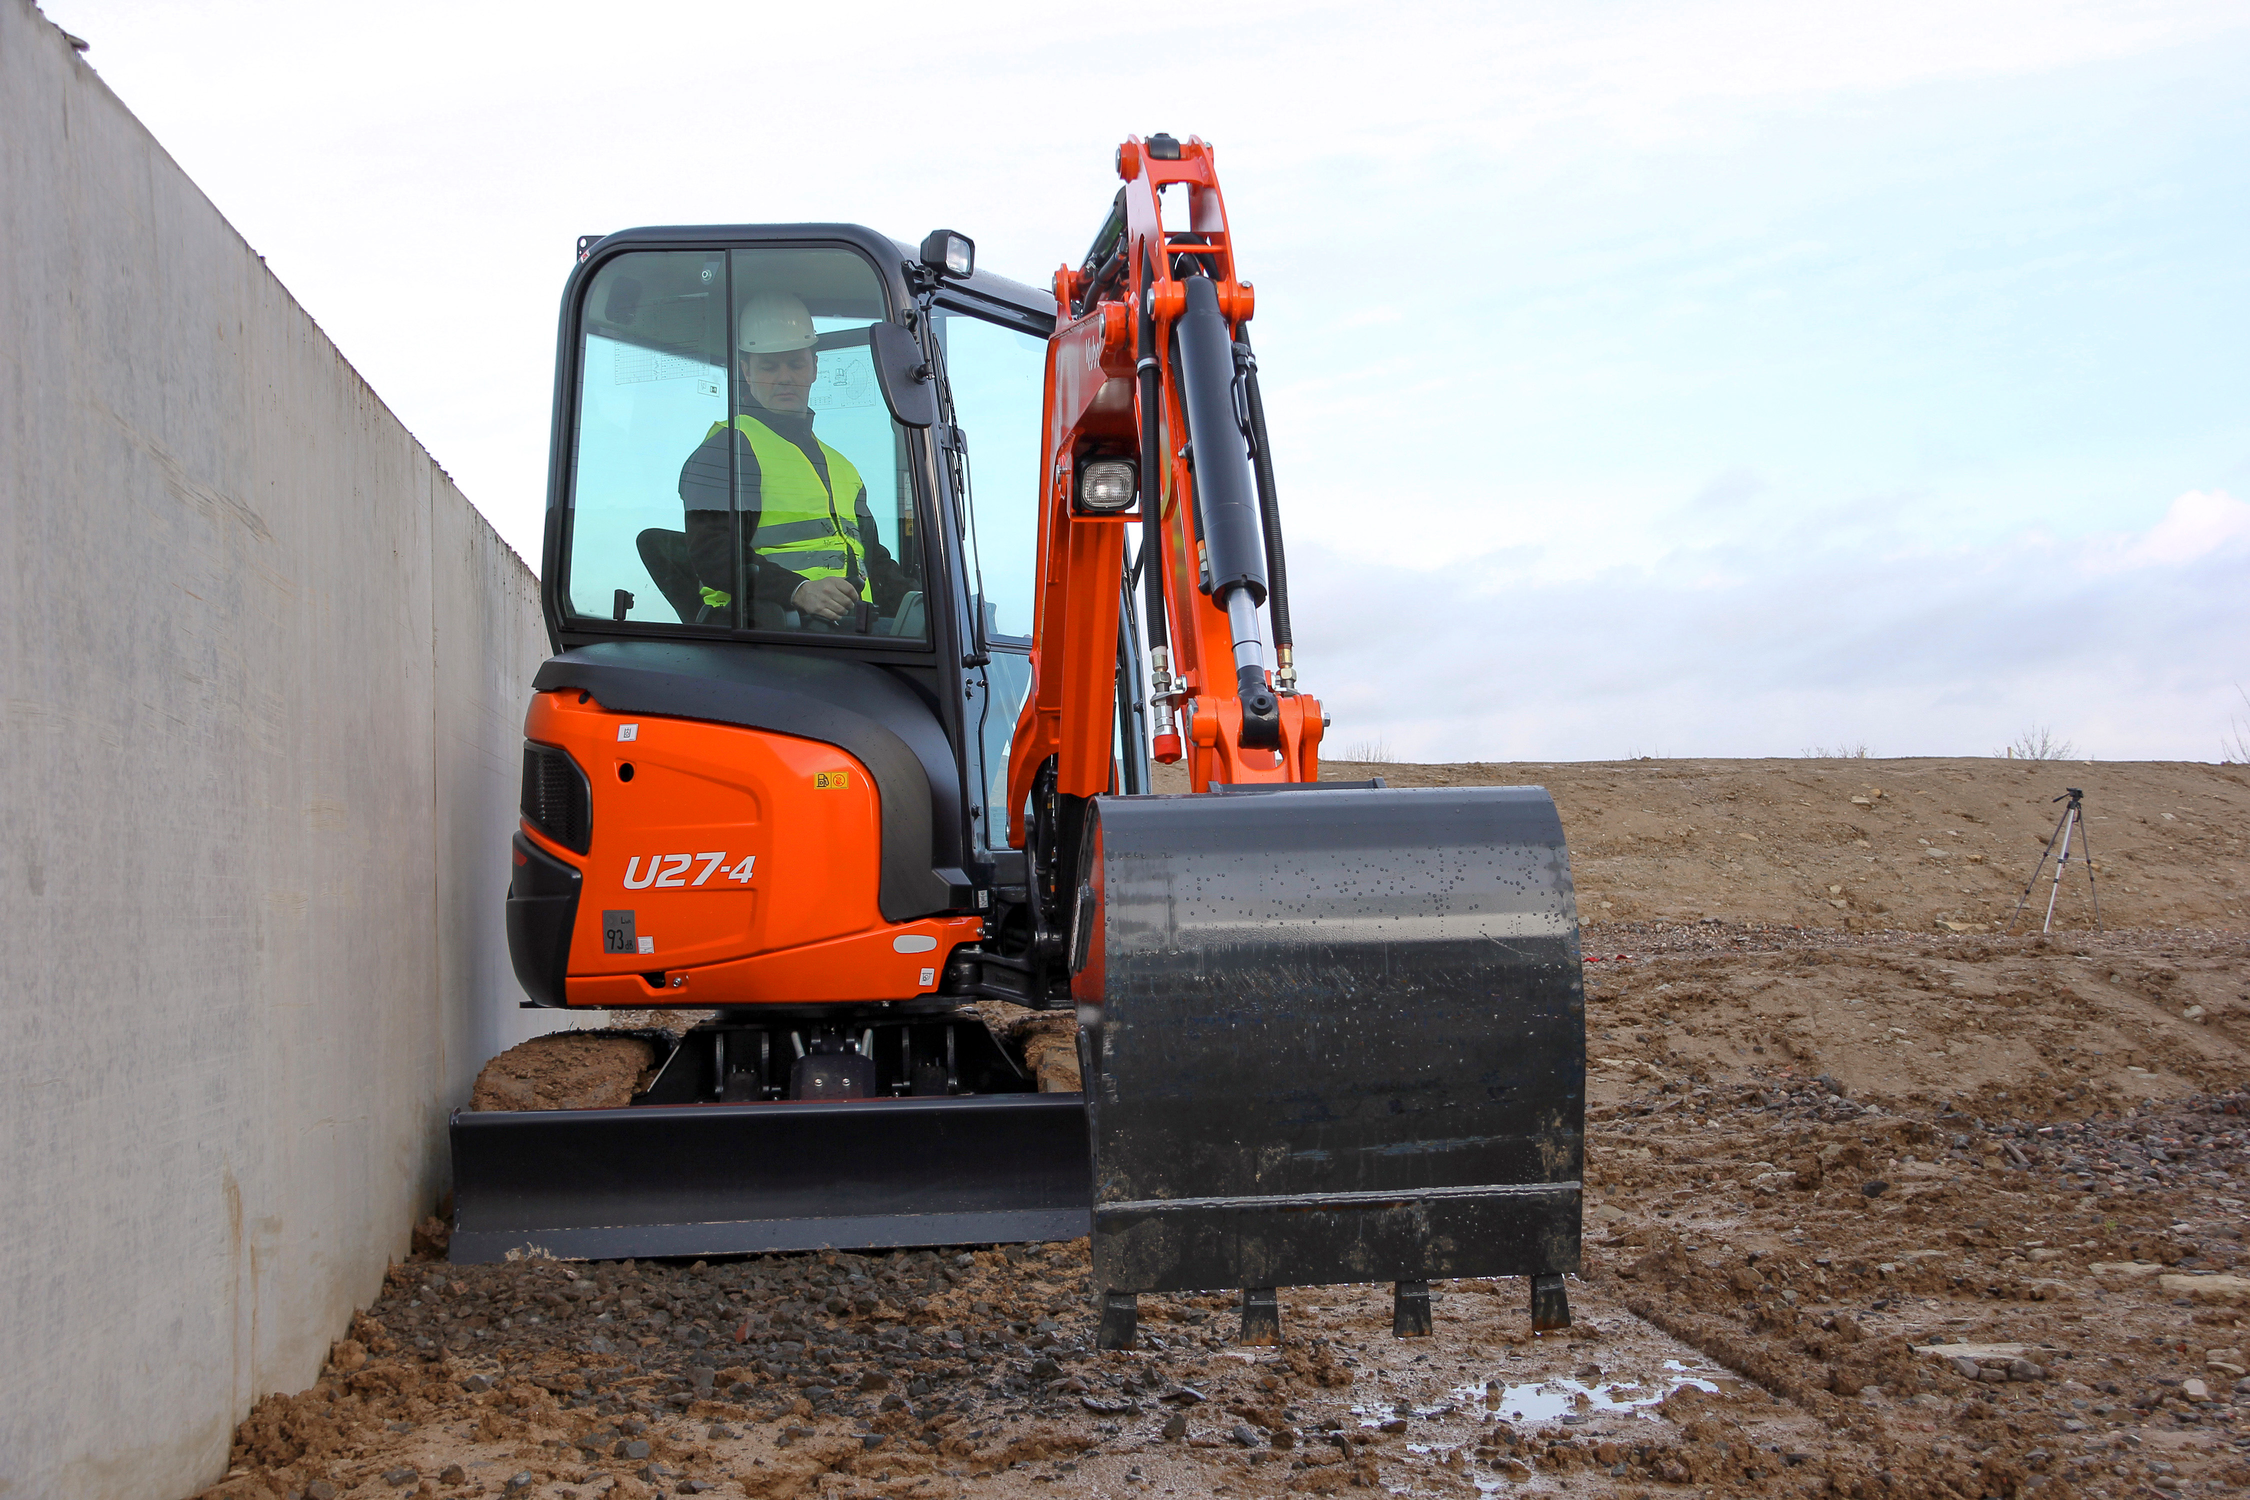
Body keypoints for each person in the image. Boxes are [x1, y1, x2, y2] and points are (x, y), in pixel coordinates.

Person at [676, 293, 910, 629]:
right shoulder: (728, 450)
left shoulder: (842, 467)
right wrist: (797, 590)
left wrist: (922, 604)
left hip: (852, 631)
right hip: (765, 636)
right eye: (769, 367)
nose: (784, 377)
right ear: (746, 371)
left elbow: (873, 560)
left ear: (814, 368)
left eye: (795, 364)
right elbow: (713, 553)